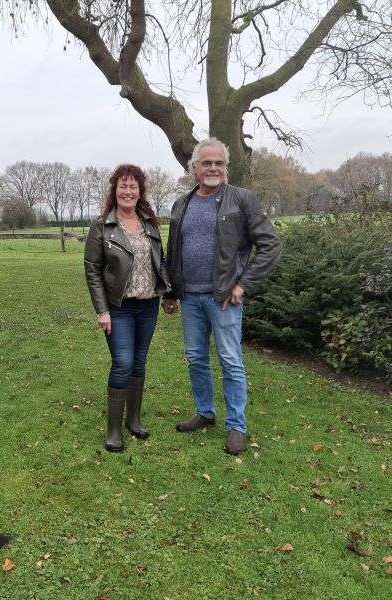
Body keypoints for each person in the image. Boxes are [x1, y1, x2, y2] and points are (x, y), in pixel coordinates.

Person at [162, 138, 282, 455]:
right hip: (190, 298)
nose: (213, 168)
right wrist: (170, 292)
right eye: (207, 163)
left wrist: (243, 285)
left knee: (230, 360)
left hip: (224, 299)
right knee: (196, 358)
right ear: (195, 167)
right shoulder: (181, 204)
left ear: (226, 167)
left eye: (219, 163)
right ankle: (205, 412)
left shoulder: (242, 199)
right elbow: (173, 251)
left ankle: (236, 426)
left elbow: (270, 245)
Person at [84, 164, 171, 452]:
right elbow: (92, 270)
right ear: (115, 190)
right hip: (118, 307)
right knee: (123, 362)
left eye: (133, 186)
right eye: (123, 186)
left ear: (140, 191)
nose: (128, 191)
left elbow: (160, 260)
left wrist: (169, 292)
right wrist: (102, 310)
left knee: (139, 362)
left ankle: (133, 419)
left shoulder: (149, 223)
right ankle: (113, 429)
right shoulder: (102, 226)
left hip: (148, 305)